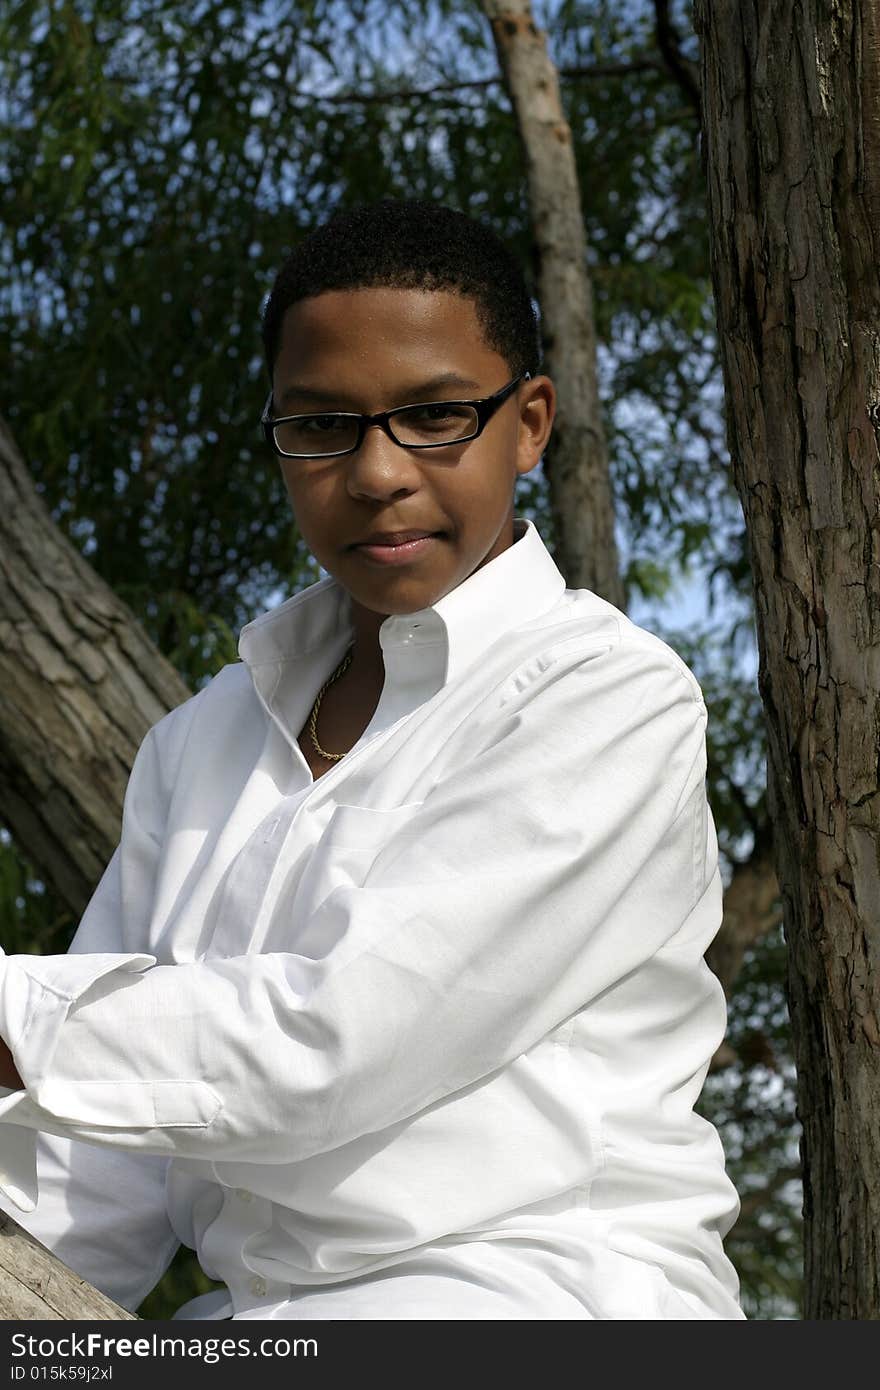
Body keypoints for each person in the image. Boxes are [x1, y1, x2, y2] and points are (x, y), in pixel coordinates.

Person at [0, 199, 744, 1320]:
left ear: (530, 422)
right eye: (320, 426)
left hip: (539, 1294)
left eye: (435, 415)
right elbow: (88, 1173)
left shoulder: (607, 700)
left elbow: (336, 1039)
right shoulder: (203, 738)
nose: (378, 471)